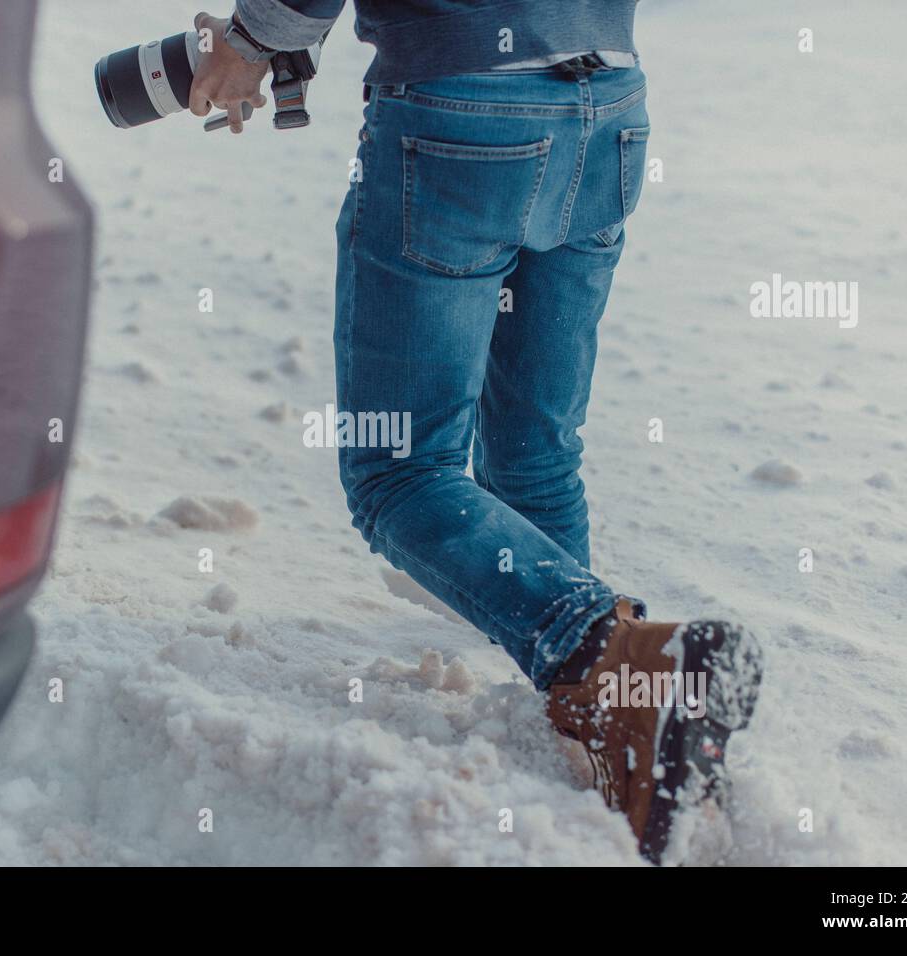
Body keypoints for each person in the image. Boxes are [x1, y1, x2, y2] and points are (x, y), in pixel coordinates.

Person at [187, 1, 764, 862]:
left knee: (401, 472)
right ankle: (609, 718)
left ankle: (620, 660)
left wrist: (251, 41)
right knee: (534, 452)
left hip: (461, 114)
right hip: (606, 101)